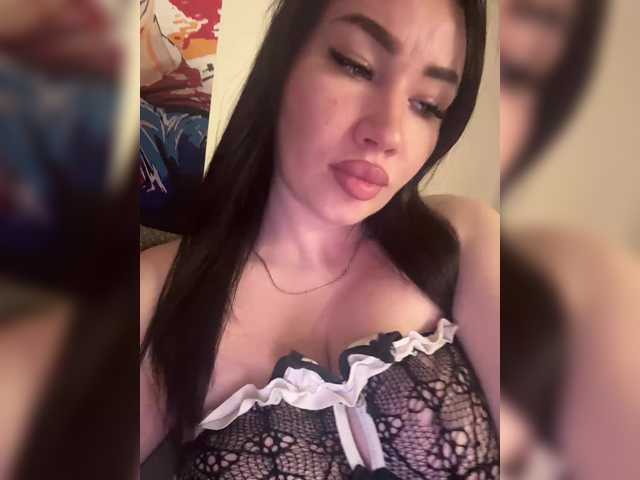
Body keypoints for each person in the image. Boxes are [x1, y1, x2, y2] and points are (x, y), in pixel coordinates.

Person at [141, 1, 499, 478]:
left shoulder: (462, 238)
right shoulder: (159, 294)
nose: (388, 133)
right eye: (356, 65)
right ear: (283, 62)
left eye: (429, 105)